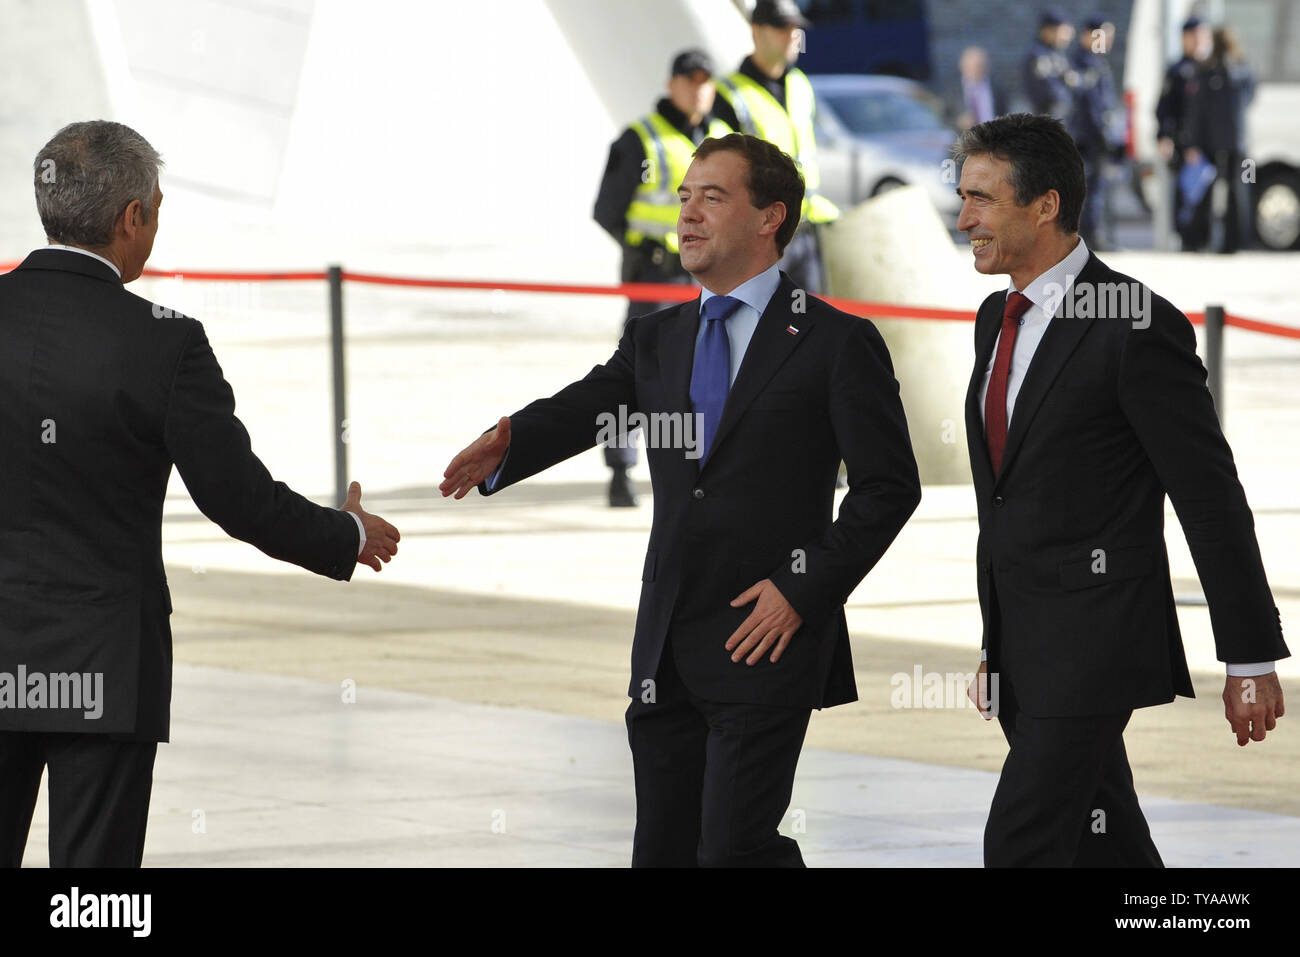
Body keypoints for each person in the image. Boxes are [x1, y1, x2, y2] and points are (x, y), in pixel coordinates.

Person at [441, 133, 920, 867]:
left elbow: (890, 488)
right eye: (684, 197)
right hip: (667, 644)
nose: (688, 215)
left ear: (770, 218)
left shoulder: (834, 342)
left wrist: (803, 588)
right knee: (664, 851)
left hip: (767, 635)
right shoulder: (657, 335)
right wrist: (511, 442)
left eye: (713, 197)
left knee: (732, 848)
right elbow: (588, 406)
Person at [0, 121, 401, 867]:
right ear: (132, 218)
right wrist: (344, 534)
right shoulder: (163, 340)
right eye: (155, 206)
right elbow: (237, 498)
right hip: (105, 668)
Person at [953, 113, 1287, 867]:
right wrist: (994, 640)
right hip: (1027, 646)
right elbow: (1007, 498)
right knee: (1108, 841)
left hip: (1096, 647)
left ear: (1044, 204)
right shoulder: (992, 319)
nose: (964, 216)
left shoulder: (1136, 324)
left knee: (1020, 842)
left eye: (982, 198)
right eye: (963, 196)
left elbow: (1208, 494)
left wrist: (1248, 654)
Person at [593, 49, 732, 507]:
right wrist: (643, 252)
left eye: (707, 81)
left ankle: (699, 470)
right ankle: (620, 471)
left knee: (709, 376)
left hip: (707, 280)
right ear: (672, 84)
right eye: (691, 81)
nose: (699, 89)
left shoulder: (721, 140)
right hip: (655, 278)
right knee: (637, 378)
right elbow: (606, 210)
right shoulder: (640, 139)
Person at [710, 0, 839, 295]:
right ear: (756, 32)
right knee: (760, 327)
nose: (792, 35)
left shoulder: (800, 84)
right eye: (782, 27)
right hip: (759, 235)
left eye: (795, 28)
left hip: (804, 231)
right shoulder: (728, 96)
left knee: (808, 328)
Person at [1184, 26, 1257, 254]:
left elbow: (1198, 111)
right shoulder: (1244, 70)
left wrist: (1193, 142)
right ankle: (1237, 241)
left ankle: (1201, 240)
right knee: (1239, 190)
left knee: (1208, 191)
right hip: (1239, 141)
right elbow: (1250, 98)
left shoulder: (1209, 71)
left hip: (1212, 142)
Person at [1155, 16, 1214, 250]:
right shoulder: (1178, 71)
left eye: (1203, 35)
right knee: (1185, 196)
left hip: (1208, 145)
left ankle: (1205, 241)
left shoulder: (1212, 68)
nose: (1199, 41)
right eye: (1194, 36)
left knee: (1207, 196)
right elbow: (1164, 108)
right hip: (1184, 145)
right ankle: (1187, 241)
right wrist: (1164, 136)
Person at [1068, 16, 1125, 251]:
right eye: (1102, 36)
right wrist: (1102, 134)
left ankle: (1098, 233)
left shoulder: (1097, 63)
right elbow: (1089, 105)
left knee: (1100, 187)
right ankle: (1091, 236)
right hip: (1087, 137)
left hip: (1098, 135)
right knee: (1091, 188)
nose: (1107, 41)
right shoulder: (1082, 62)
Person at [1020, 6, 1077, 122]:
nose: (1066, 38)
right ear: (1047, 31)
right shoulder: (1037, 55)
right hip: (1044, 123)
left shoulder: (1056, 53)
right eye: (1062, 32)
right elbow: (1051, 93)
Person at [952, 46, 1003, 131]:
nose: (976, 70)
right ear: (962, 67)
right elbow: (944, 117)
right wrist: (958, 122)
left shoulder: (997, 89)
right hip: (965, 139)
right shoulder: (952, 92)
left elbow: (1004, 114)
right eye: (972, 66)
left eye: (980, 65)